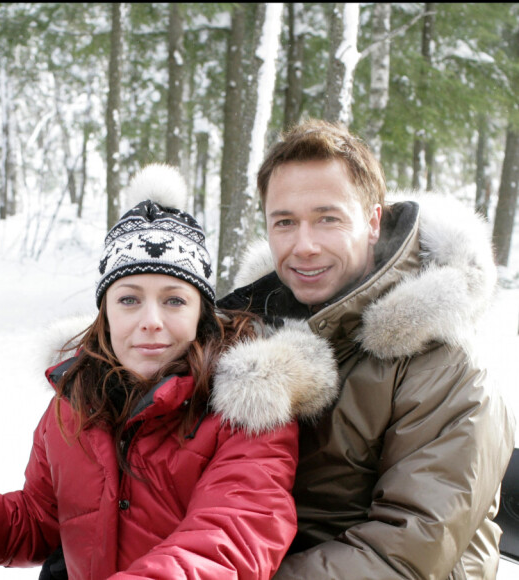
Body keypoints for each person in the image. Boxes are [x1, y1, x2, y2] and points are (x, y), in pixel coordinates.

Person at [0, 164, 339, 579]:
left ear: (202, 311)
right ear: (105, 313)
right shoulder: (71, 406)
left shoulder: (248, 409)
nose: (151, 320)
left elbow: (231, 538)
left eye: (174, 301)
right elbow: (43, 519)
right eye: (129, 300)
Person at [218, 118, 516, 579]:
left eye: (328, 218)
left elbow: (404, 551)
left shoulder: (448, 369)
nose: (304, 245)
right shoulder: (250, 332)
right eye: (285, 222)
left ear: (373, 222)